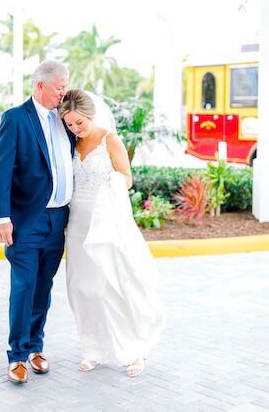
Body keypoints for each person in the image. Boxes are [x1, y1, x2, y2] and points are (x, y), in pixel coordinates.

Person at [0, 60, 75, 384]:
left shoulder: (65, 120)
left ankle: (36, 347)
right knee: (24, 287)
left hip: (58, 221)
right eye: (60, 87)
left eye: (65, 86)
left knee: (43, 287)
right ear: (40, 86)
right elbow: (1, 171)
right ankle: (17, 355)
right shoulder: (16, 119)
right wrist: (1, 217)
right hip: (26, 221)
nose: (64, 92)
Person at [59, 89, 165, 378]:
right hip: (78, 223)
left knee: (110, 287)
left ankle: (133, 350)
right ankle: (93, 349)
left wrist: (107, 192)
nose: (75, 129)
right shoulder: (71, 143)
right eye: (69, 124)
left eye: (79, 123)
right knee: (81, 287)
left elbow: (126, 179)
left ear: (91, 114)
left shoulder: (110, 139)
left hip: (105, 221)